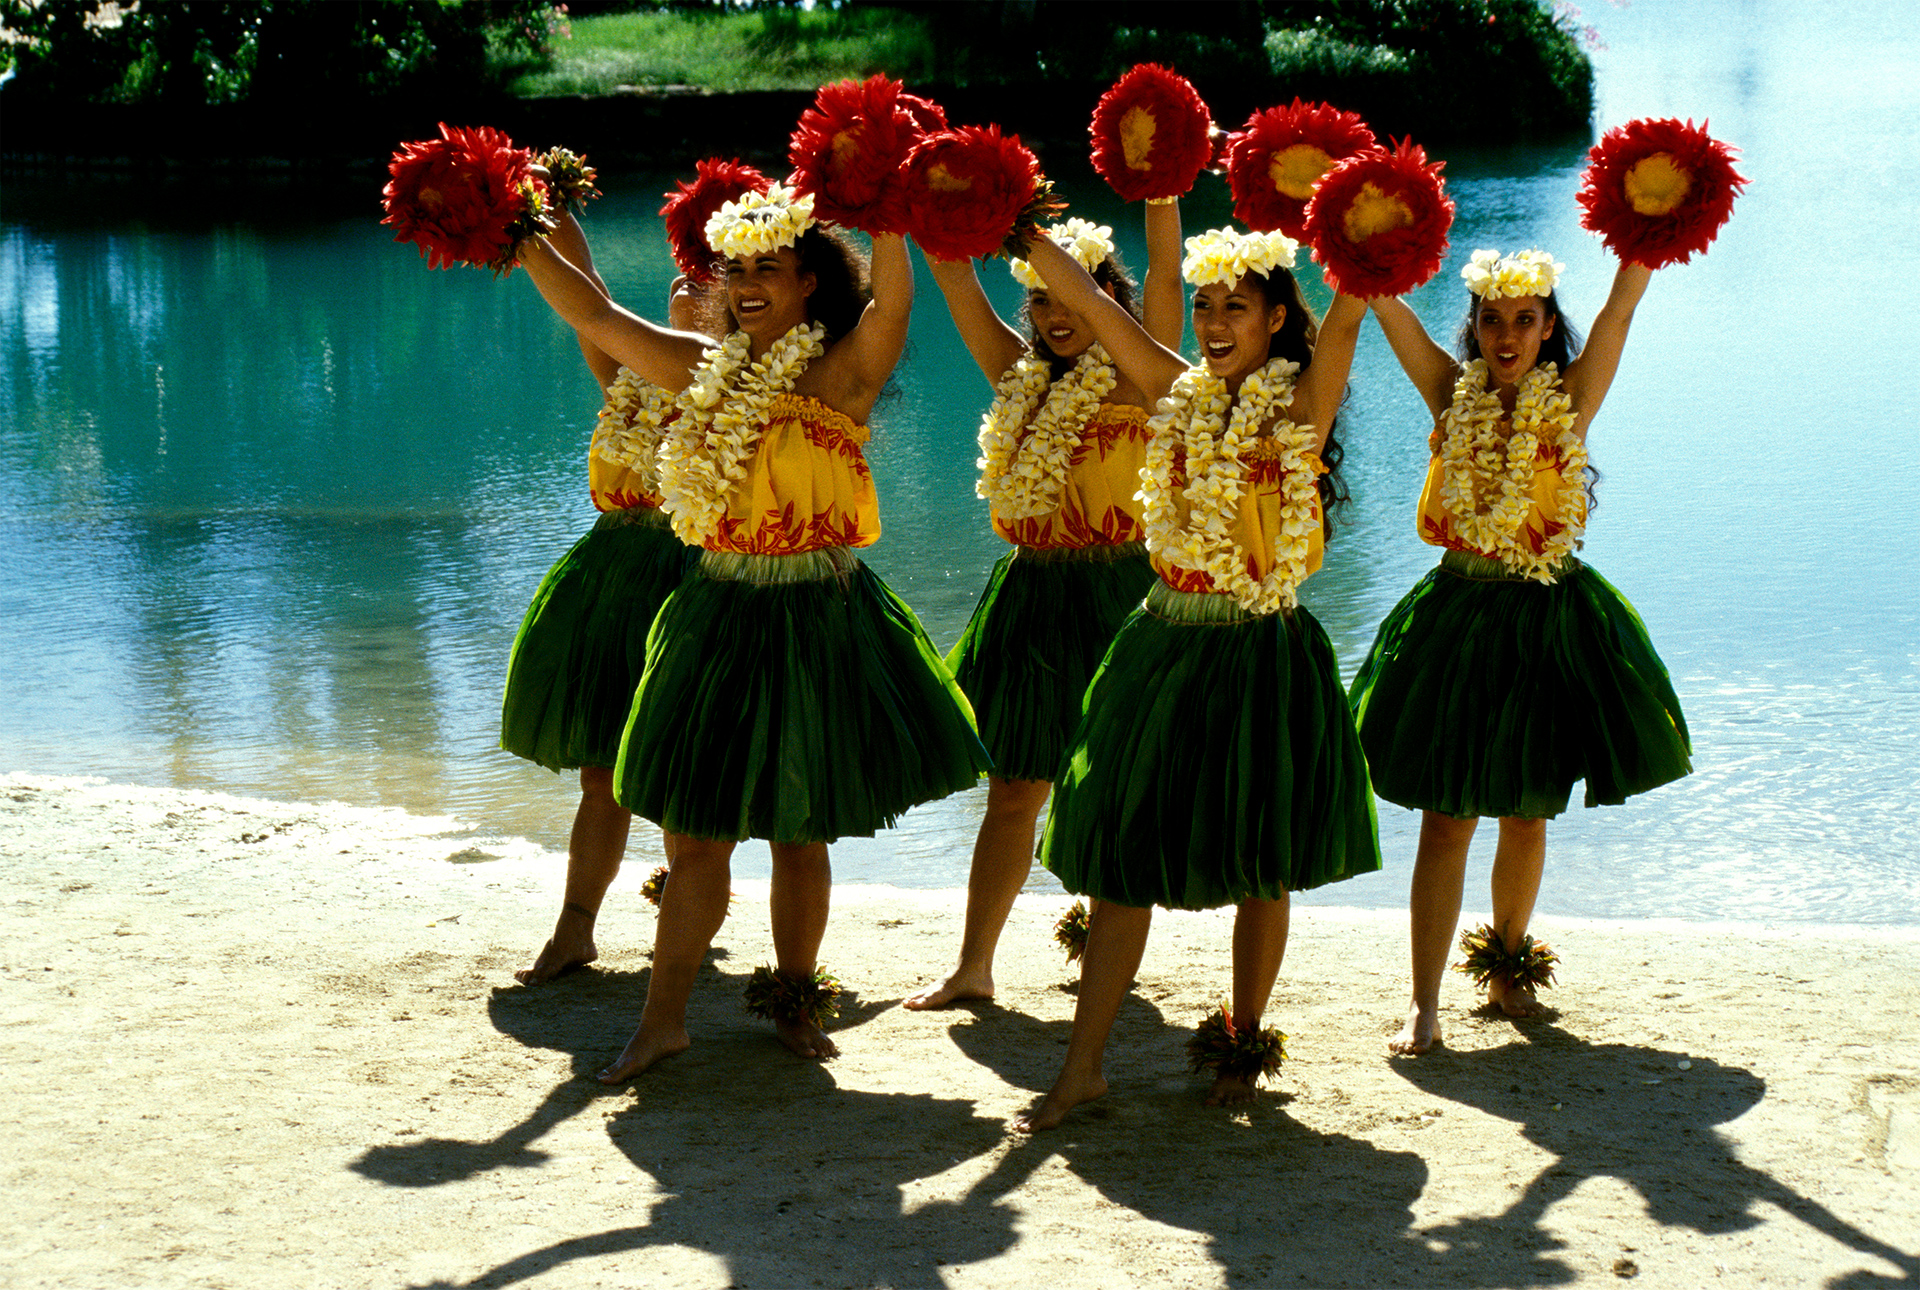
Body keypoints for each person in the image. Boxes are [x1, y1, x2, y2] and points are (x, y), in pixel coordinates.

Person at [515, 184, 990, 1081]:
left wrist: (889, 204)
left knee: (797, 829)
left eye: (766, 268)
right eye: (735, 270)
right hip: (715, 610)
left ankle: (795, 1003)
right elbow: (593, 310)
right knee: (698, 832)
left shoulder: (844, 376)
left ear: (810, 281)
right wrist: (515, 225)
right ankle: (663, 1020)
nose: (743, 284)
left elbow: (893, 301)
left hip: (816, 612)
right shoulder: (700, 367)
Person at [1008, 225, 1381, 1132]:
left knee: (1261, 862)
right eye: (1205, 306)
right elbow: (1097, 303)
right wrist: (1021, 224)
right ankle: (1083, 1065)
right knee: (1123, 855)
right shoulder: (1172, 390)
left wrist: (1365, 239)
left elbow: (1346, 321)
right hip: (1163, 642)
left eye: (1235, 308)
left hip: (1260, 651)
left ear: (1277, 319)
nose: (1213, 323)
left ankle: (1242, 1052)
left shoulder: (1301, 411)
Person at [1351, 248, 1691, 1056]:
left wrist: (1645, 239)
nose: (1507, 336)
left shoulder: (1569, 404)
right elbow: (1388, 306)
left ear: (1547, 328)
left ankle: (1507, 969)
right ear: (1471, 326)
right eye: (1492, 320)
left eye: (1525, 320)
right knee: (1445, 818)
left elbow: (1618, 315)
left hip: (1545, 619)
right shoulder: (1448, 391)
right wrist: (1353, 249)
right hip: (1459, 615)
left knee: (1528, 815)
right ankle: (1424, 1004)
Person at [902, 205, 1183, 1011]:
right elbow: (956, 283)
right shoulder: (1016, 376)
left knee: (1108, 785)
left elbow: (1165, 277)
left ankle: (1107, 959)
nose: (1057, 317)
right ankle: (973, 965)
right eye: (1042, 303)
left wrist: (1161, 193)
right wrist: (938, 197)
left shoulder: (1140, 373)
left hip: (1120, 593)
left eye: (1075, 298)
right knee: (1015, 788)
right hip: (1030, 593)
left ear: (1107, 301)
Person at [505, 205, 711, 987]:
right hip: (609, 582)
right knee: (602, 770)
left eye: (706, 276)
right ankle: (575, 929)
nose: (683, 281)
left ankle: (684, 911)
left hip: (685, 585)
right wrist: (543, 210)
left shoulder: (731, 387)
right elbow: (586, 293)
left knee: (673, 773)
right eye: (680, 273)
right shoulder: (625, 375)